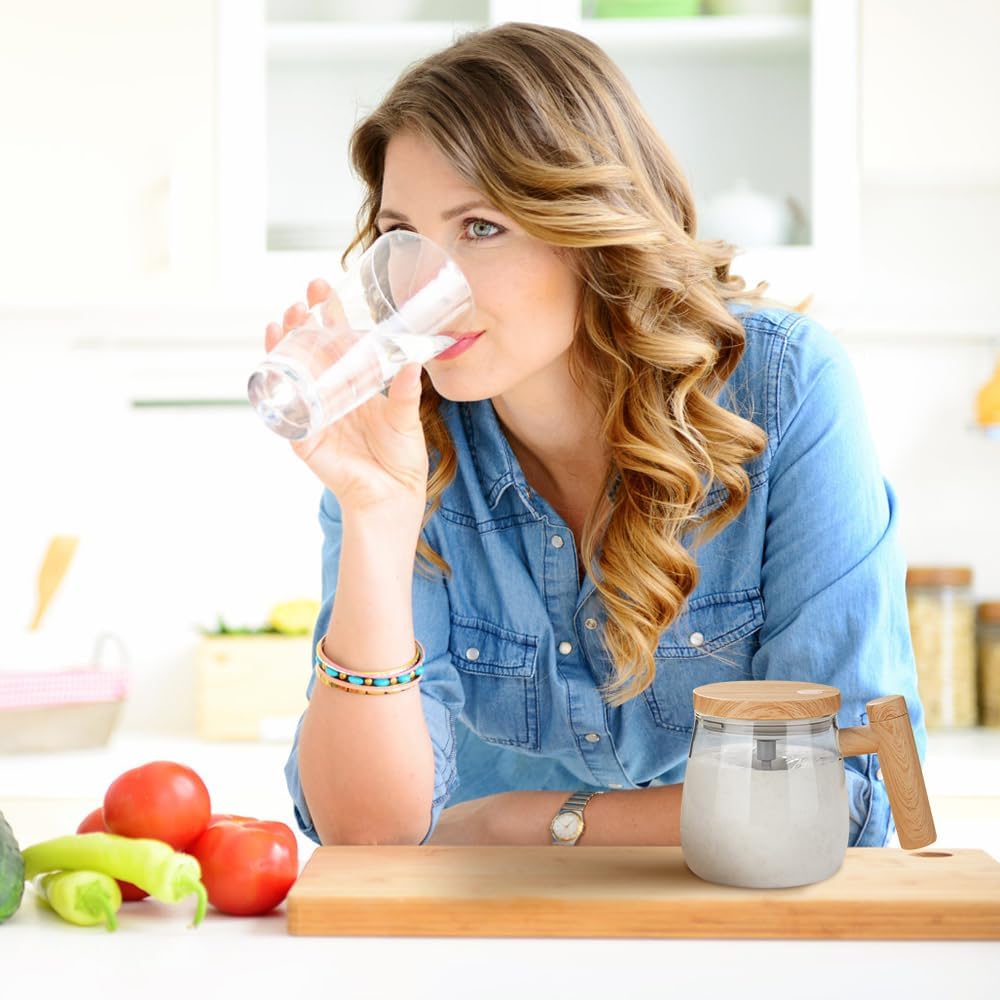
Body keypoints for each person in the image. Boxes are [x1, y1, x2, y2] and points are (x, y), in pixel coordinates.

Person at [271, 22, 926, 849]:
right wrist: (375, 516)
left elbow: (851, 793)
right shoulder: (400, 445)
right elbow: (367, 835)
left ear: (593, 231)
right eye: (404, 235)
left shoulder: (782, 390)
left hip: (736, 940)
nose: (420, 287)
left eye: (479, 226)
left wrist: (525, 821)